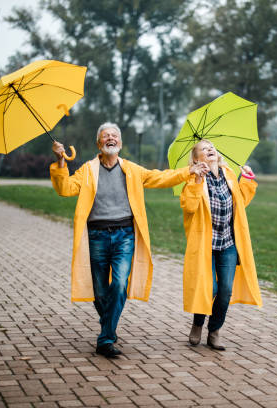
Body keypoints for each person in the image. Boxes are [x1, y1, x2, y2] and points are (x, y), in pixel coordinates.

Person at [50, 123, 208, 358]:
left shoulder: (132, 170)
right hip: (96, 236)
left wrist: (189, 171)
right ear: (99, 144)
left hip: (125, 235)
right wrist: (61, 162)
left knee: (120, 284)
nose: (110, 139)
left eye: (115, 136)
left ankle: (106, 338)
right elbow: (64, 188)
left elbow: (160, 177)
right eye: (106, 136)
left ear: (120, 144)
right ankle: (109, 328)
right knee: (101, 292)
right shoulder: (87, 170)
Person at [180, 139, 262, 350]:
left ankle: (214, 331)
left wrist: (247, 179)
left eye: (211, 148)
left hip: (227, 242)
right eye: (203, 149)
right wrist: (197, 180)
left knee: (225, 289)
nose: (209, 150)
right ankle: (198, 323)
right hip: (205, 243)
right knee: (209, 287)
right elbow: (189, 207)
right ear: (196, 159)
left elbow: (240, 202)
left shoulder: (228, 174)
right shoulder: (194, 180)